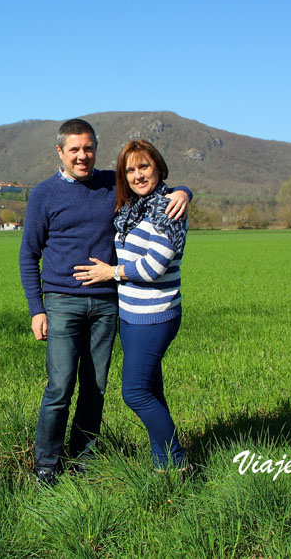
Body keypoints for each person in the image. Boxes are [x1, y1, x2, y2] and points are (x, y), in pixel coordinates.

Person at [19, 120, 191, 485]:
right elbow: (28, 254)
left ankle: (84, 460)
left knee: (95, 388)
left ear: (96, 148)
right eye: (74, 150)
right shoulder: (44, 194)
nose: (82, 156)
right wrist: (37, 308)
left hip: (107, 304)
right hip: (63, 302)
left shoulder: (108, 185)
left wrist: (185, 192)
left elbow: (153, 189)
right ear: (60, 152)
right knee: (60, 387)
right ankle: (46, 465)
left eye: (89, 148)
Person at [73, 139, 189, 473]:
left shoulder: (168, 209)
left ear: (158, 167)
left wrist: (112, 272)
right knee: (152, 389)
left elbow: (154, 267)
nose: (138, 175)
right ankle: (161, 464)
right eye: (130, 169)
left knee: (135, 393)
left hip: (155, 313)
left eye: (144, 167)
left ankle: (178, 463)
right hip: (132, 314)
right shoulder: (132, 209)